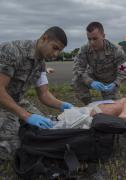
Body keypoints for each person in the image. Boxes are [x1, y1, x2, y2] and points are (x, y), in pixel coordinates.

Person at [0, 26, 73, 161]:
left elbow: (44, 94)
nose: (56, 54)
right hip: (2, 101)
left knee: (46, 130)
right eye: (55, 48)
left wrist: (64, 105)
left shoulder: (40, 64)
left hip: (15, 101)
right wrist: (25, 115)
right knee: (13, 148)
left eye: (60, 51)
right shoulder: (13, 51)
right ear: (44, 39)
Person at [72, 22, 126, 105]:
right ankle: (89, 105)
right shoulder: (84, 49)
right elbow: (78, 69)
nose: (92, 42)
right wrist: (90, 82)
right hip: (93, 78)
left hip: (110, 82)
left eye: (95, 39)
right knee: (77, 80)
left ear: (103, 36)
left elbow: (124, 71)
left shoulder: (116, 50)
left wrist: (115, 83)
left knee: (113, 107)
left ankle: (111, 98)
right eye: (89, 39)